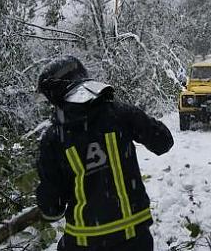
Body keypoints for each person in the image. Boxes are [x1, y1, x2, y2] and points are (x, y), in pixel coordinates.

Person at [35, 56, 174, 251]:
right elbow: (164, 142)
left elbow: (51, 209)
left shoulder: (53, 138)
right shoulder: (119, 113)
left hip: (84, 242)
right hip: (134, 238)